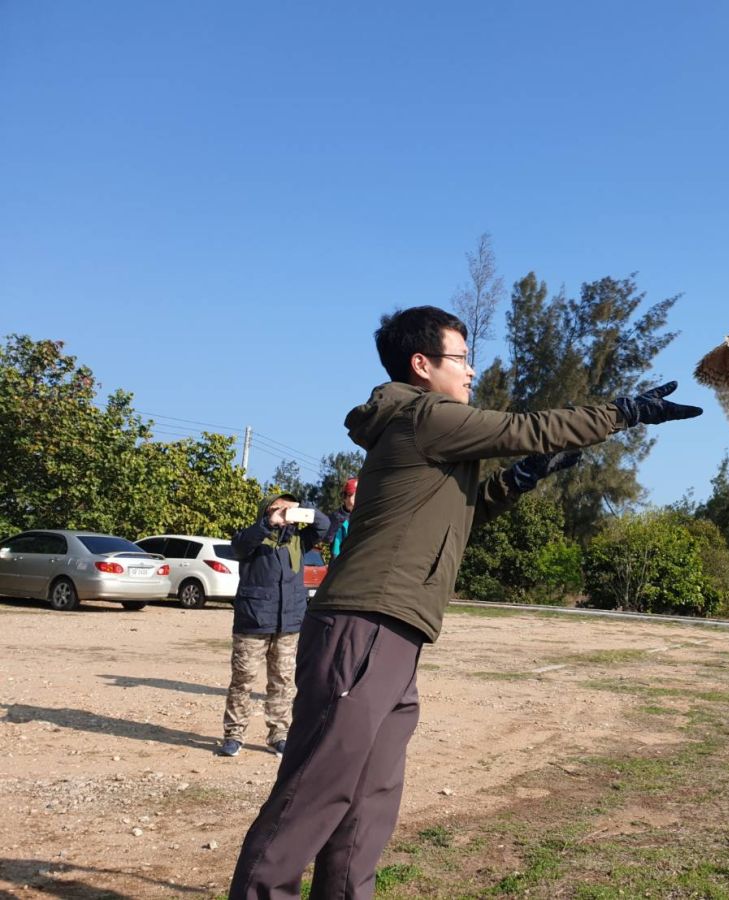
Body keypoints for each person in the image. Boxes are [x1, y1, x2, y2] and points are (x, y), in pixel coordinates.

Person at [228, 305, 702, 898]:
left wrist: (524, 478)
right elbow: (526, 427)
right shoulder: (427, 415)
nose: (472, 370)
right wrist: (624, 413)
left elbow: (460, 513)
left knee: (368, 803)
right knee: (315, 793)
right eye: (462, 357)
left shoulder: (428, 432)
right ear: (422, 365)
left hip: (395, 632)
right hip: (364, 622)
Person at [218, 493, 330, 759]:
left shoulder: (299, 541)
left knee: (282, 682)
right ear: (266, 511)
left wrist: (303, 511)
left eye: (289, 507)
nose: (285, 512)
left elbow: (324, 526)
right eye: (279, 507)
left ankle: (278, 735)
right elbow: (238, 547)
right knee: (242, 681)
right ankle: (233, 735)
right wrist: (269, 521)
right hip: (253, 623)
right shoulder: (253, 537)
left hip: (288, 624)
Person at [324, 476, 357, 546]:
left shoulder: (362, 515)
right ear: (345, 498)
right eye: (353, 496)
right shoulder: (336, 517)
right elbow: (327, 538)